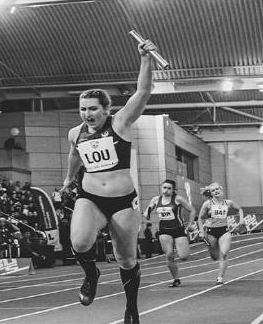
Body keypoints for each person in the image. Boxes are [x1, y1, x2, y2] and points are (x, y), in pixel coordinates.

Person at [59, 39, 158, 324]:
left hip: (123, 200)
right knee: (78, 241)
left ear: (106, 109)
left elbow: (143, 91)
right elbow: (74, 156)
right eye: (83, 109)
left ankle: (131, 308)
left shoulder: (121, 123)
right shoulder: (75, 133)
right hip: (90, 196)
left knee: (126, 258)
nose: (87, 114)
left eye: (92, 109)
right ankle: (91, 275)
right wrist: (68, 179)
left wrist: (145, 59)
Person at [144, 179, 196, 287]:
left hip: (178, 229)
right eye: (164, 187)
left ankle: (180, 247)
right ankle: (176, 279)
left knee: (183, 256)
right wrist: (147, 213)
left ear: (173, 190)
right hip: (164, 230)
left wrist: (190, 224)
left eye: (169, 188)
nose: (166, 190)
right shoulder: (156, 199)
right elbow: (146, 212)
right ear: (161, 188)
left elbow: (192, 210)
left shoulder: (178, 199)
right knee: (168, 255)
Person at [198, 182, 244, 285]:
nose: (216, 191)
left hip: (224, 231)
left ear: (221, 189)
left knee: (223, 254)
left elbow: (239, 209)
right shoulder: (207, 204)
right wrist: (201, 231)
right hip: (211, 232)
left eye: (217, 189)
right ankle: (209, 246)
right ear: (211, 193)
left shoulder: (228, 203)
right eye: (213, 190)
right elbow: (200, 218)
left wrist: (241, 219)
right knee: (214, 257)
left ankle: (220, 278)